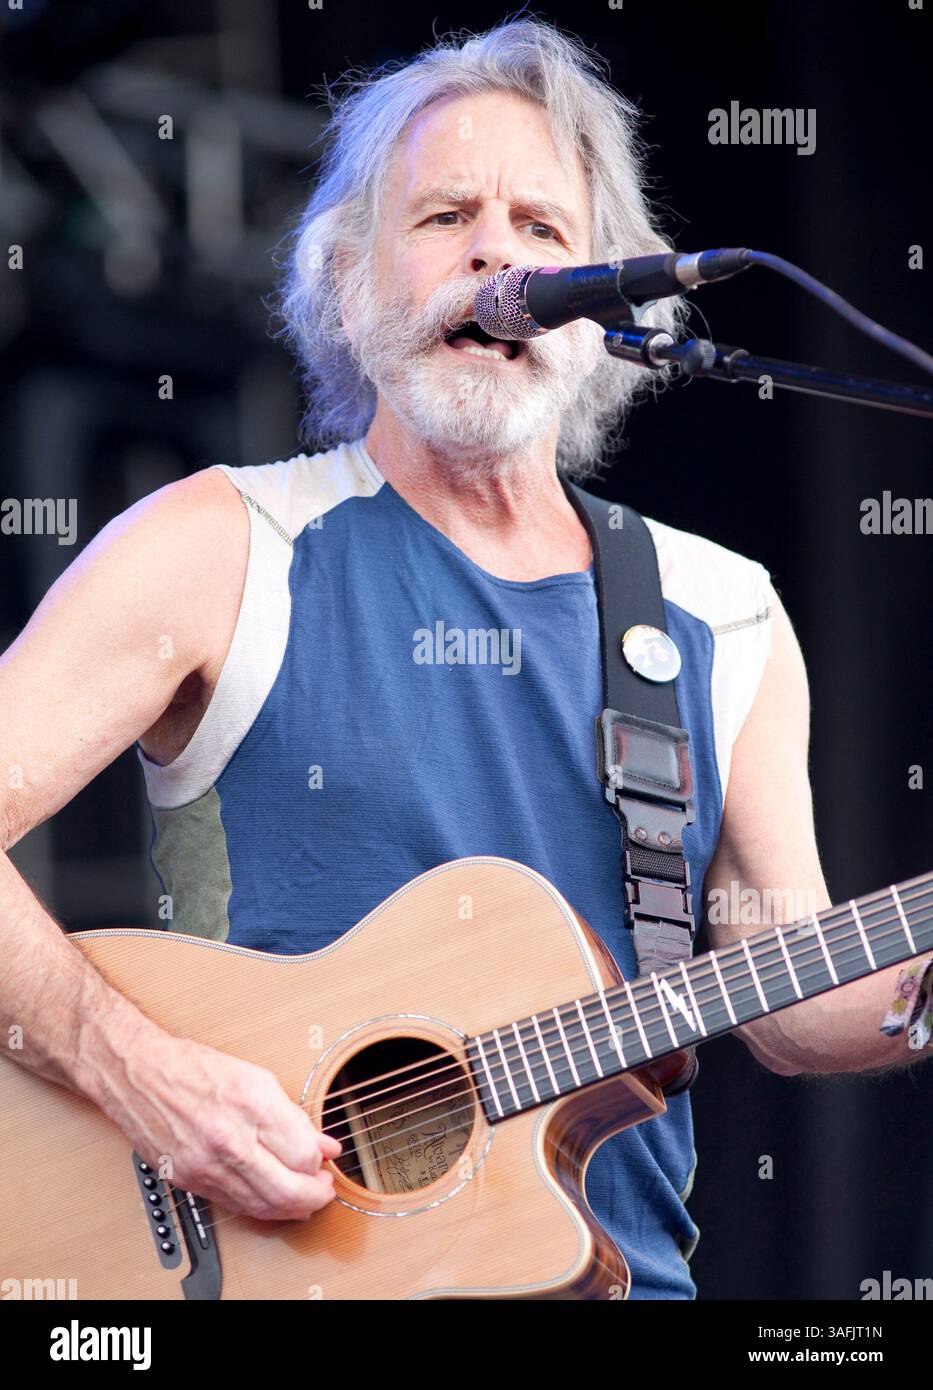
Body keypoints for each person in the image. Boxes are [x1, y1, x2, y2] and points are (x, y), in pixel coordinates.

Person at [1, 18, 927, 1300]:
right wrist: (146, 1078)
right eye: (446, 216)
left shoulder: (724, 610)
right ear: (344, 276)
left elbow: (787, 987)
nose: (499, 253)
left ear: (609, 312)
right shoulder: (223, 545)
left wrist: (921, 987)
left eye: (546, 229)